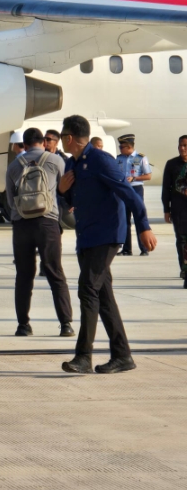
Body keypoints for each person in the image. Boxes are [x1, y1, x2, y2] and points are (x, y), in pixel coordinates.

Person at [58, 115, 157, 374]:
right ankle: (122, 355)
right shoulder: (72, 164)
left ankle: (83, 357)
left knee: (87, 289)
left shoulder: (102, 161)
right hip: (87, 237)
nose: (60, 140)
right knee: (103, 296)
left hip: (107, 235)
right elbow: (71, 200)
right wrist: (61, 189)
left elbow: (129, 194)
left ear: (69, 138)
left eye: (61, 136)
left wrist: (144, 226)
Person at [5, 128, 74, 337]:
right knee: (55, 272)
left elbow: (9, 200)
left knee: (24, 276)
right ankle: (65, 324)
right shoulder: (56, 160)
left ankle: (23, 325)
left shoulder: (14, 165)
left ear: (24, 145)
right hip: (48, 222)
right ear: (43, 142)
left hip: (22, 224)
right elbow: (67, 189)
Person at [116, 134, 152, 256]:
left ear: (129, 147)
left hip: (136, 189)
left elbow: (148, 176)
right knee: (124, 220)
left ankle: (144, 248)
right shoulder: (119, 159)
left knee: (139, 218)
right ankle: (126, 249)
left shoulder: (140, 158)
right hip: (124, 190)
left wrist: (135, 178)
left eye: (122, 147)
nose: (120, 149)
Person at [161, 135, 187, 284]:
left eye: (185, 145)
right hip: (179, 209)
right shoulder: (172, 164)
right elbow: (166, 188)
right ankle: (184, 269)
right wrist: (166, 209)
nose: (182, 148)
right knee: (182, 240)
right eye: (180, 145)